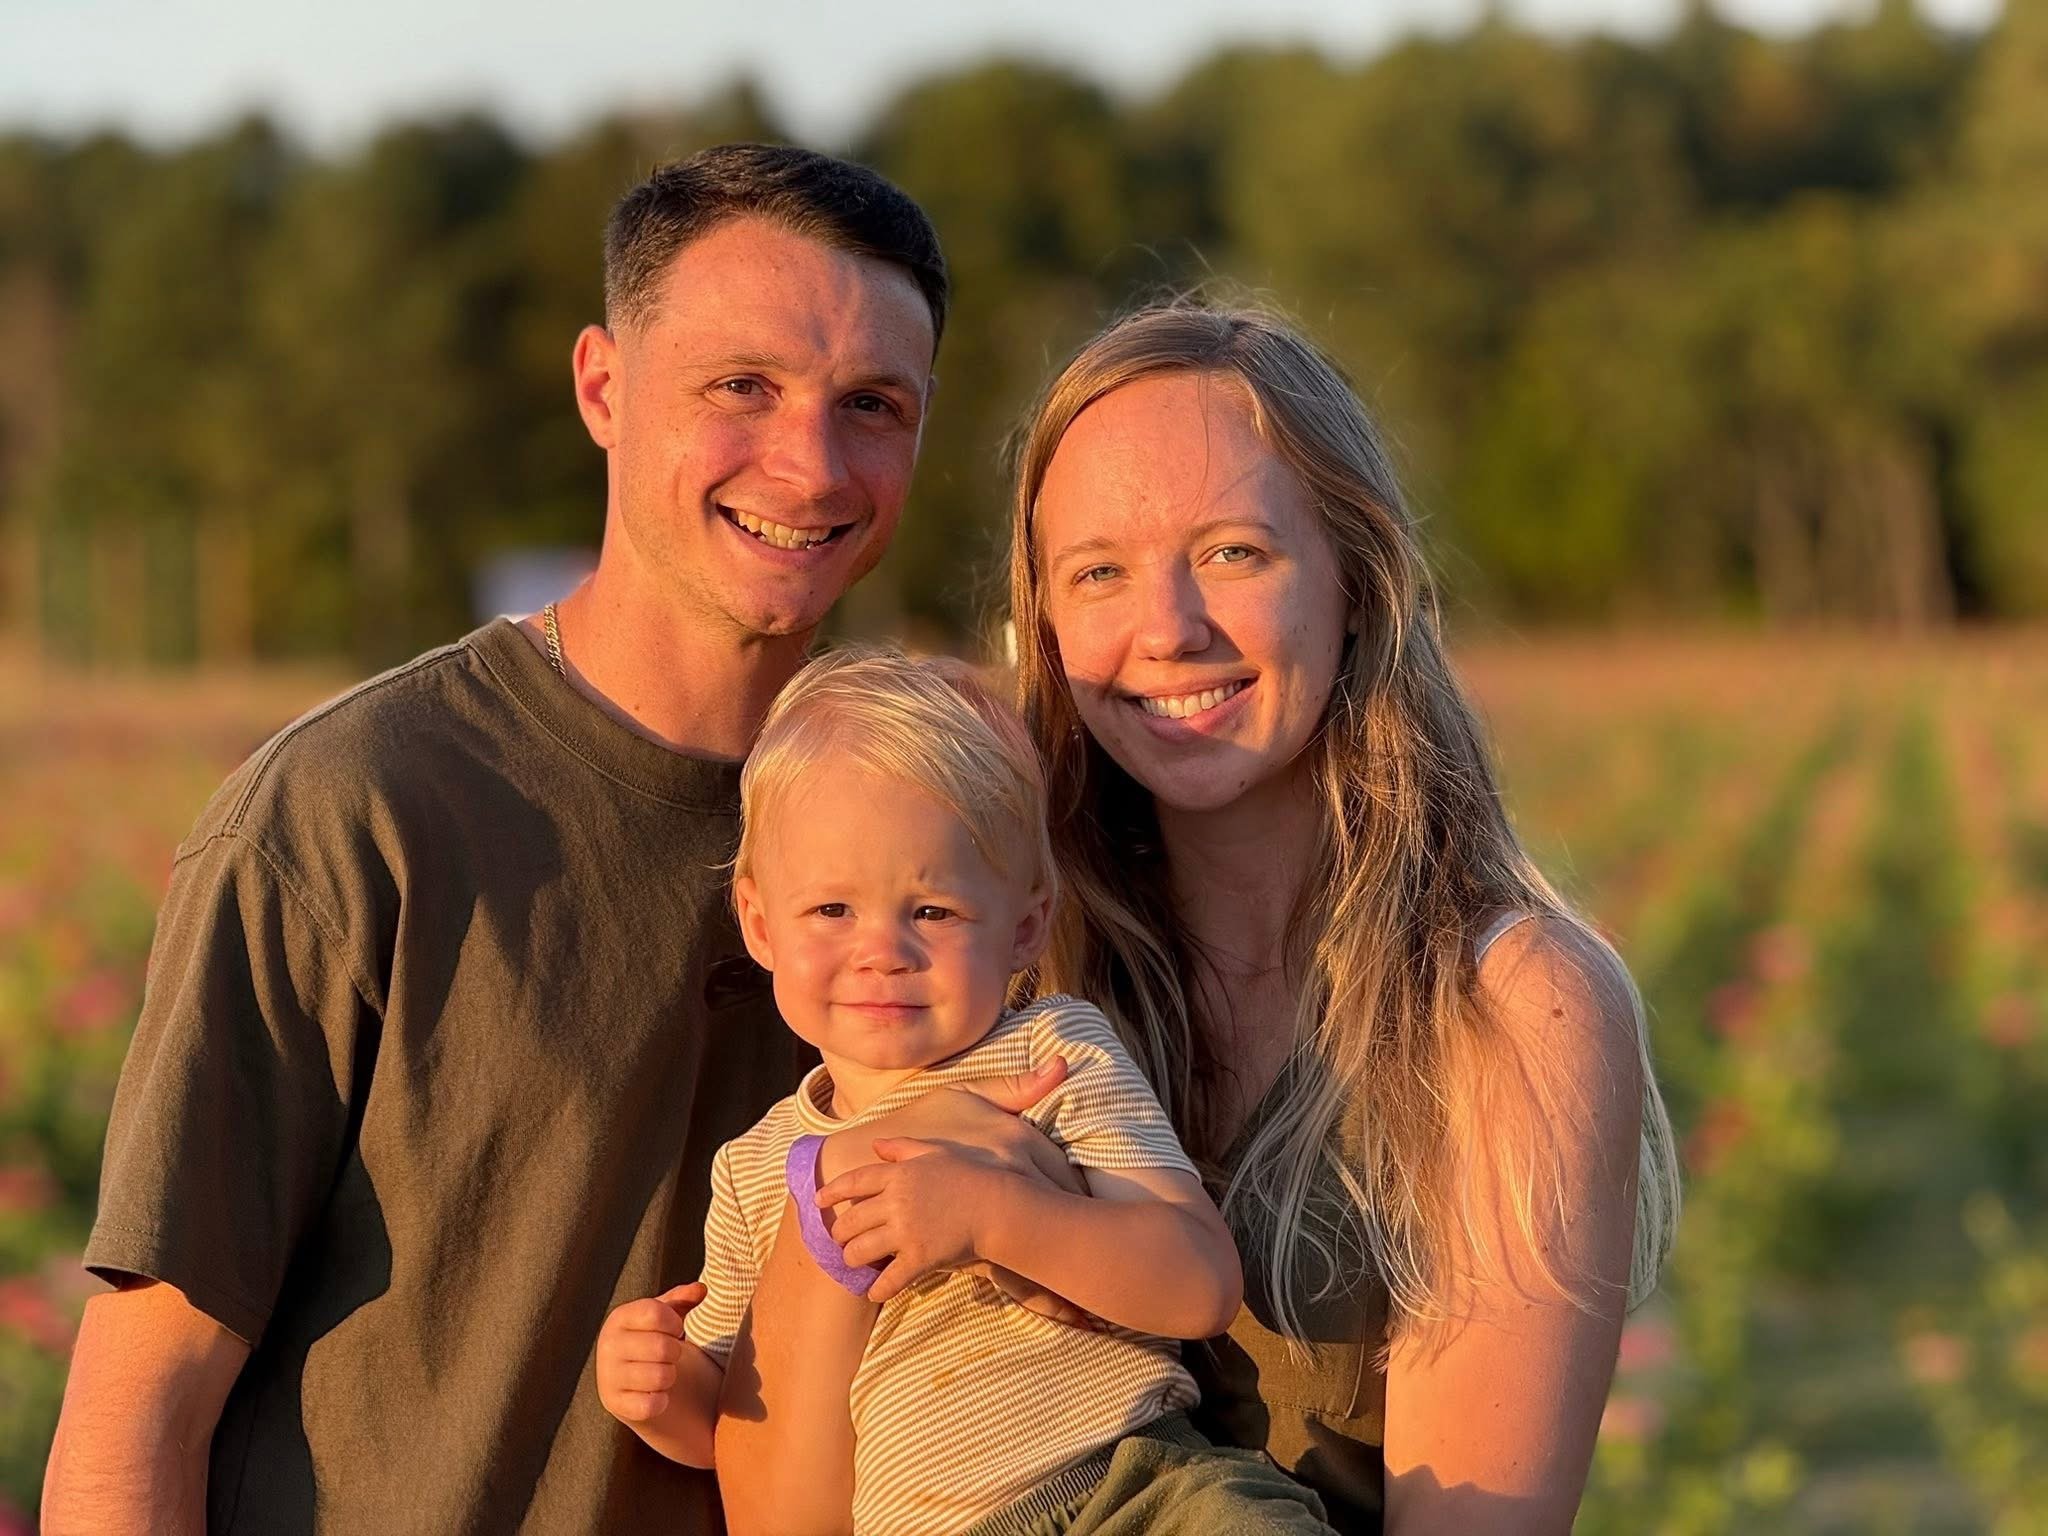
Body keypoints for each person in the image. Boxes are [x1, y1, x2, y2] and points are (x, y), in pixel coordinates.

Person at [41, 144, 962, 1535]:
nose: (811, 463)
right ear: (602, 385)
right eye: (743, 388)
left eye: (872, 406)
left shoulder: (948, 831)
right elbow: (139, 1409)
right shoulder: (352, 814)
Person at [1003, 302, 1685, 1532]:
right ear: (1045, 625)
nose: (1166, 629)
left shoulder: (1507, 1010)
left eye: (1232, 553)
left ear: (1356, 585)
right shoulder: (1000, 964)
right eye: (1097, 570)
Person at [594, 649, 1337, 1535]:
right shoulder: (758, 1169)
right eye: (833, 911)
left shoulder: (1053, 1059)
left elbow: (1198, 1282)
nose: (883, 951)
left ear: (1025, 928)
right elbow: (742, 1420)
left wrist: (997, 1217)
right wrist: (660, 1391)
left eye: (933, 912)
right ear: (759, 923)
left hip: (1133, 1487)